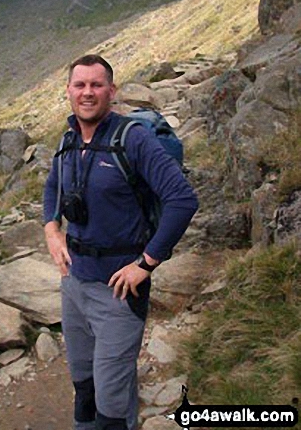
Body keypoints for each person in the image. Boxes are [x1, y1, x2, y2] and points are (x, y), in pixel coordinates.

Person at [44, 54, 198, 430]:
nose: (88, 92)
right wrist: (51, 230)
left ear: (111, 91)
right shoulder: (67, 141)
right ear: (68, 91)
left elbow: (182, 200)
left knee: (111, 405)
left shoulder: (133, 139)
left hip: (118, 290)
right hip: (74, 283)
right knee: (85, 387)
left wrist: (146, 263)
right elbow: (53, 186)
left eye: (97, 85)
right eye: (80, 85)